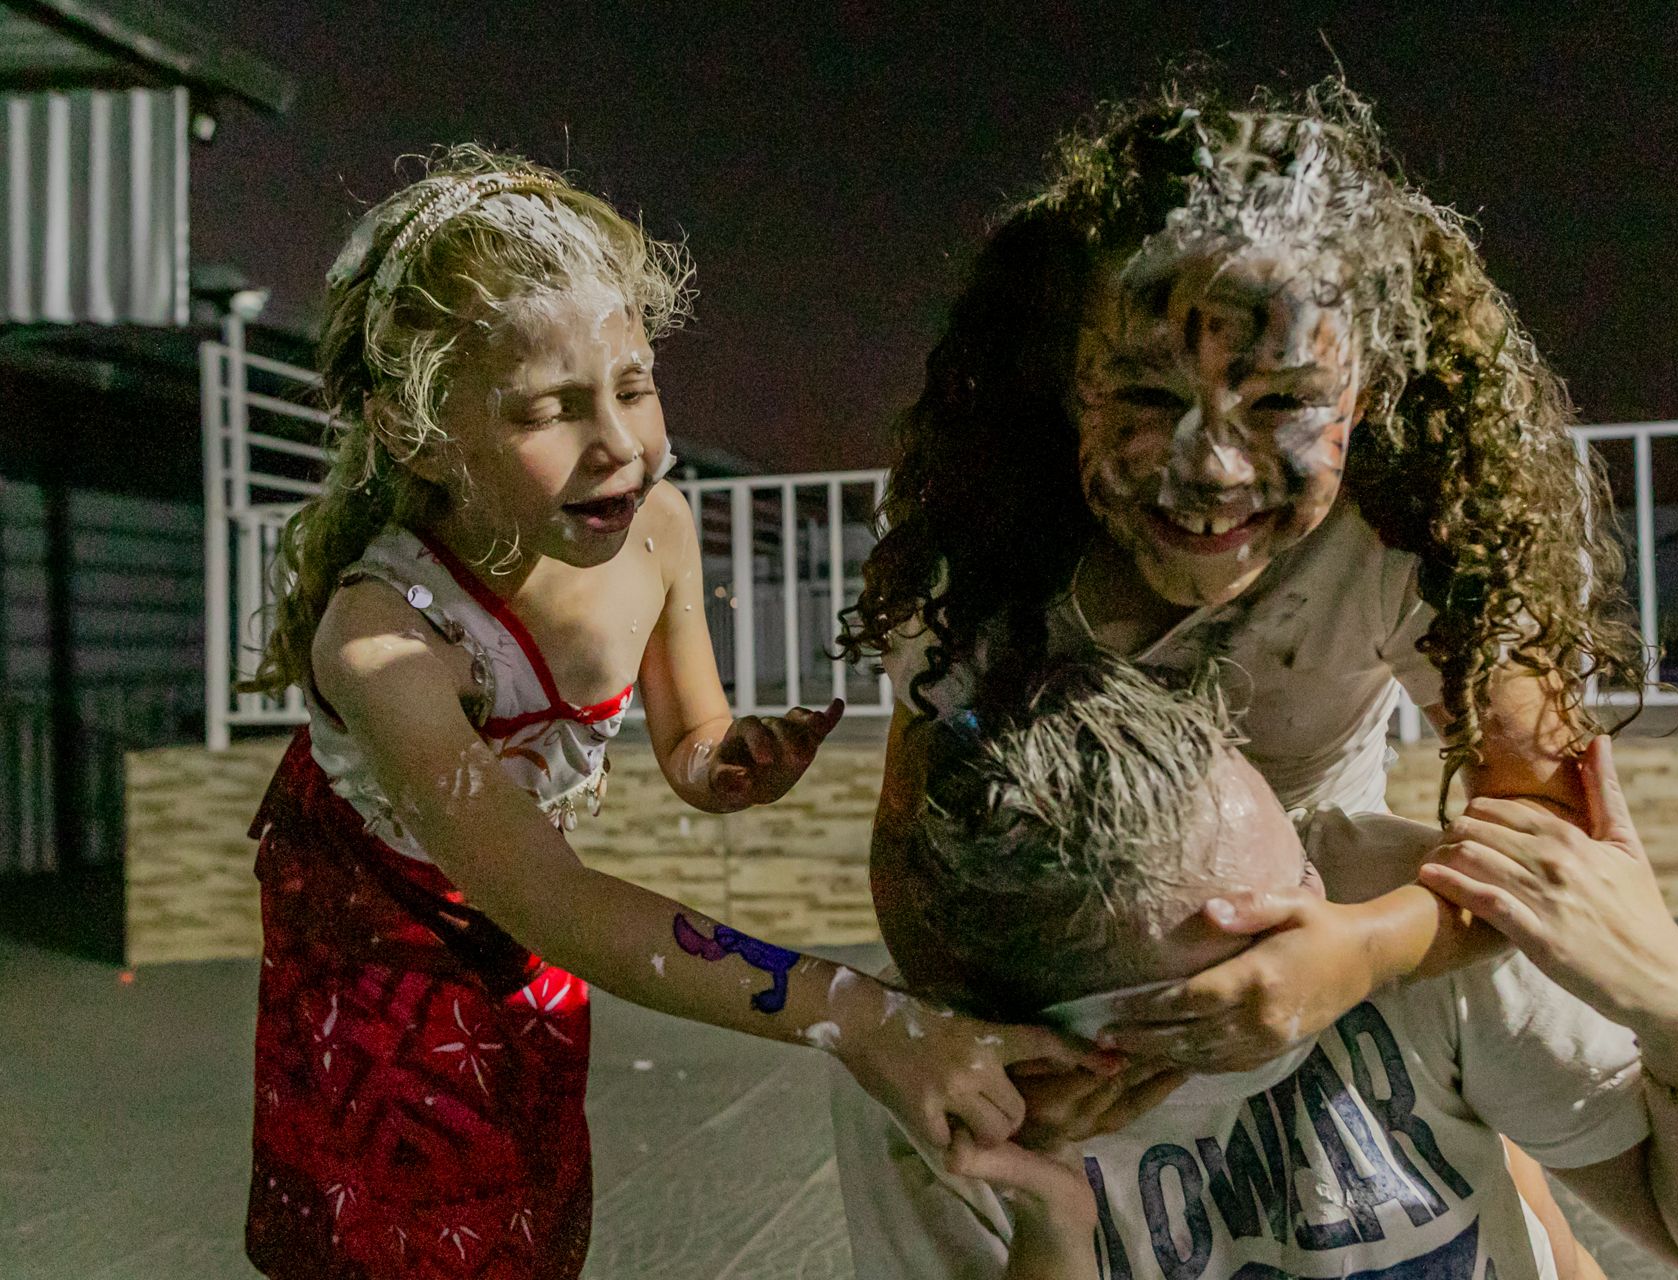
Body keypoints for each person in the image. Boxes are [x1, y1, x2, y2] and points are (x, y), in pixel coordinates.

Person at [838, 77, 1653, 1261]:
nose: (1209, 466)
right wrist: (1027, 1047)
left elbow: (1546, 832)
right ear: (1065, 374)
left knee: (1443, 1130)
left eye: (1280, 402)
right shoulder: (991, 546)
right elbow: (915, 850)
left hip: (1312, 882)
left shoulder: (1407, 526)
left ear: (1364, 394)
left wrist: (1366, 948)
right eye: (1149, 395)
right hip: (1099, 934)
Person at [237, 147, 1085, 1280]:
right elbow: (554, 895)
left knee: (534, 1220)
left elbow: (689, 741)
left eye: (633, 383)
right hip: (378, 955)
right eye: (548, 407)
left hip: (522, 926)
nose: (620, 443)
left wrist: (729, 761)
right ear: (416, 433)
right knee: (419, 1235)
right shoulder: (385, 635)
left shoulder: (659, 528)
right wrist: (865, 1017)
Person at [831, 656, 1678, 1279]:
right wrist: (1056, 1229)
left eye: (1301, 873)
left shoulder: (1387, 891)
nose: (1322, 942)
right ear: (1087, 1027)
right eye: (1257, 949)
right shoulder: (936, 1069)